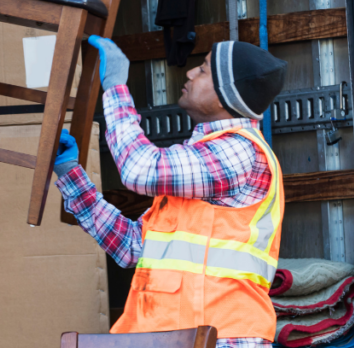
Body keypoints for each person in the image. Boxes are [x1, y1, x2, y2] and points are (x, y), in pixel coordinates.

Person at [54, 37, 287, 347]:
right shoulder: (200, 161)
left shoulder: (240, 151)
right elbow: (132, 247)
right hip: (169, 337)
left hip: (224, 338)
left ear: (224, 97)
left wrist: (115, 91)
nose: (190, 73)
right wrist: (71, 174)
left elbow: (139, 169)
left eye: (203, 70)